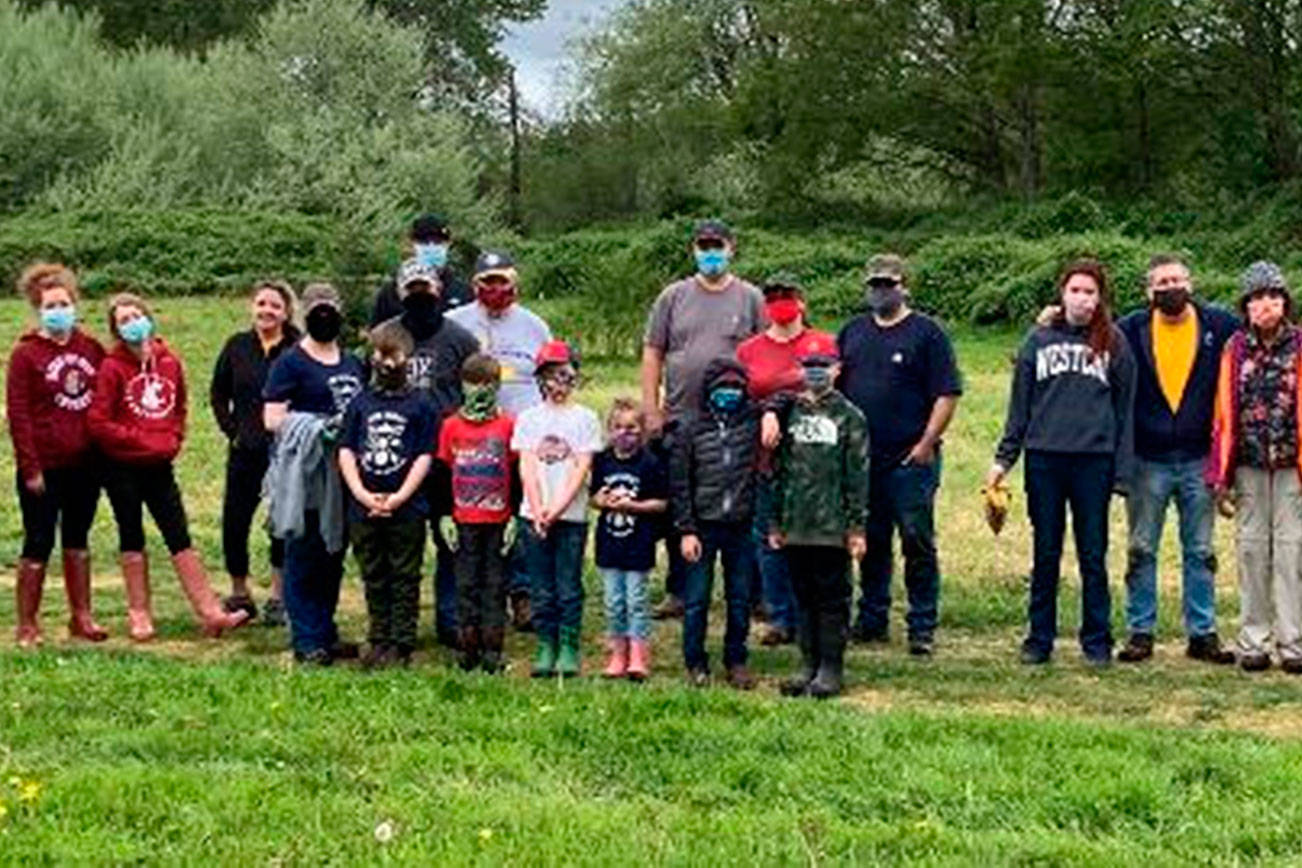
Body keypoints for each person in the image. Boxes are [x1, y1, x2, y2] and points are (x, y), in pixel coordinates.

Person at [987, 260, 1136, 666]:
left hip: (1094, 462)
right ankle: (1039, 639)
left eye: (1090, 292)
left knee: (1092, 554)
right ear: (1062, 294)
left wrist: (1122, 474)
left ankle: (1097, 641)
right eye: (1075, 290)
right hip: (1045, 460)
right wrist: (1003, 459)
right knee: (1045, 551)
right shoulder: (1038, 340)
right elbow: (1019, 407)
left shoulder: (1115, 343)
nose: (1082, 298)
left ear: (1100, 297)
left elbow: (1125, 412)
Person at [89, 293, 249, 640]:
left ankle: (209, 610)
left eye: (136, 315)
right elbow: (99, 422)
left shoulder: (170, 363)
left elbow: (179, 408)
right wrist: (139, 440)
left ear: (149, 316)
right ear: (116, 330)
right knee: (131, 532)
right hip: (121, 465)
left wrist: (173, 439)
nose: (133, 323)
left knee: (179, 534)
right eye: (123, 320)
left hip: (160, 465)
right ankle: (140, 613)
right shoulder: (111, 368)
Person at [1113, 254, 1239, 665]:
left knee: (1201, 550)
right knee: (1141, 548)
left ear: (1191, 283)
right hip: (1147, 459)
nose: (1171, 287)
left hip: (1199, 458)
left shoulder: (1218, 326)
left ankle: (1202, 633)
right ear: (1149, 291)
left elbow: (1263, 335)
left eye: (1177, 279)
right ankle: (1140, 632)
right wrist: (1048, 324)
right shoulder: (1129, 330)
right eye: (1162, 282)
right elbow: (1087, 340)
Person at [837, 253, 962, 656]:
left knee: (916, 540)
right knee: (869, 541)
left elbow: (947, 393)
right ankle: (872, 618)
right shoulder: (852, 332)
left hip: (910, 458)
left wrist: (926, 443)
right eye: (874, 284)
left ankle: (921, 625)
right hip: (862, 459)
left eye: (888, 284)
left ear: (904, 286)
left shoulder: (927, 333)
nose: (880, 292)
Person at [642, 219, 764, 619]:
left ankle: (750, 592)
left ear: (732, 248)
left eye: (718, 245)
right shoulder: (673, 296)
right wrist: (651, 406)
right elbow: (653, 352)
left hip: (735, 423)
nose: (710, 252)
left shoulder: (750, 298)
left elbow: (764, 352)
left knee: (739, 506)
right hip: (681, 417)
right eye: (703, 245)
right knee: (684, 503)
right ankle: (680, 589)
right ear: (693, 249)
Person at [448, 249, 553, 630]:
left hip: (521, 437)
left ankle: (523, 594)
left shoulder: (535, 326)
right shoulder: (455, 324)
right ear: (475, 285)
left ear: (514, 284)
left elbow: (549, 379)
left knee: (523, 516)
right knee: (477, 518)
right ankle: (472, 598)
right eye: (486, 283)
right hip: (473, 441)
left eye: (502, 282)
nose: (495, 289)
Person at [263, 283, 366, 666]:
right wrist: (314, 426)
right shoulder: (290, 362)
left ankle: (325, 629)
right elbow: (271, 418)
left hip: (343, 473)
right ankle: (306, 638)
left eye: (330, 307)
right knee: (304, 552)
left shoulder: (353, 363)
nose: (324, 314)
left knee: (332, 552)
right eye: (316, 308)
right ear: (303, 315)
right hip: (305, 473)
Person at [378, 260, 479, 648]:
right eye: (412, 289)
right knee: (398, 544)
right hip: (394, 455)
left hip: (444, 457)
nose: (420, 296)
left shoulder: (461, 339)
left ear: (438, 291)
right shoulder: (384, 335)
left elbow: (474, 394)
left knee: (449, 540)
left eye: (426, 288)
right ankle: (394, 622)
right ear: (401, 293)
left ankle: (450, 619)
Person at [1207, 262, 1302, 673]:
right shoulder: (1234, 349)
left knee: (1290, 553)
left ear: (1285, 302)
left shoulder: (1300, 344)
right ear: (1246, 305)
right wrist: (1219, 474)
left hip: (1291, 467)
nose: (1267, 304)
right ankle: (1253, 641)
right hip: (1246, 465)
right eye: (1259, 297)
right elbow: (1221, 411)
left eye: (1274, 295)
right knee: (1250, 551)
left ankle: (1293, 643)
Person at [7, 263, 108, 647]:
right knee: (38, 540)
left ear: (75, 304)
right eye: (50, 306)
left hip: (84, 464)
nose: (58, 311)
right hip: (44, 466)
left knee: (78, 538)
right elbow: (19, 415)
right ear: (38, 310)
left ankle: (81, 616)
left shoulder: (90, 348)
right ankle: (27, 623)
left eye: (64, 303)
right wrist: (30, 466)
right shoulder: (26, 355)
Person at [767, 333, 868, 699]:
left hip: (832, 527)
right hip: (796, 524)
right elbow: (778, 470)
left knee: (832, 598)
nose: (815, 373)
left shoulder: (850, 417)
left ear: (837, 369)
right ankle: (807, 665)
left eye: (822, 366)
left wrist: (856, 527)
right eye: (809, 367)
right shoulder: (789, 413)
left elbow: (858, 475)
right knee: (803, 596)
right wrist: (776, 521)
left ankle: (831, 668)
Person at [738, 275, 836, 646]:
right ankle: (779, 615)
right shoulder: (749, 350)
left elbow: (831, 391)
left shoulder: (824, 343)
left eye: (788, 296)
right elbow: (744, 398)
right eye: (774, 298)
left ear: (802, 302)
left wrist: (779, 404)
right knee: (768, 537)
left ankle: (813, 613)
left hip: (814, 461)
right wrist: (766, 413)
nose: (781, 303)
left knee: (811, 539)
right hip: (767, 458)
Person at [339, 322, 438, 669]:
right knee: (373, 573)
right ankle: (378, 638)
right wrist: (362, 494)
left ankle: (402, 642)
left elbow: (425, 455)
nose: (387, 363)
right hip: (363, 504)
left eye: (394, 355)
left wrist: (399, 496)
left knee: (404, 574)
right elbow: (346, 451)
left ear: (408, 359)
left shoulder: (422, 405)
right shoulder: (360, 403)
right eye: (379, 355)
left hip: (407, 506)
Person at [210, 279, 300, 625]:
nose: (267, 310)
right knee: (235, 520)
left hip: (283, 453)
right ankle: (239, 592)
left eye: (275, 305)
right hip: (244, 450)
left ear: (286, 312)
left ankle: (278, 596)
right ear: (252, 306)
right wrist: (232, 431)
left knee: (281, 522)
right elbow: (218, 393)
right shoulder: (236, 346)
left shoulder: (297, 348)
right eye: (261, 303)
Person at [513, 340, 602, 678]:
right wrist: (537, 509)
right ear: (540, 378)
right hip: (532, 516)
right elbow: (528, 466)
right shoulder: (529, 419)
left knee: (568, 585)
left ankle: (568, 645)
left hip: (571, 517)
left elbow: (581, 468)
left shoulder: (586, 418)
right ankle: (545, 643)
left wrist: (557, 508)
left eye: (564, 374)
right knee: (541, 586)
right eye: (550, 375)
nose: (558, 382)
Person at [671, 357, 761, 689]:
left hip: (741, 524)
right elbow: (679, 483)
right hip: (702, 526)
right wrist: (686, 529)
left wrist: (768, 415)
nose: (729, 393)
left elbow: (784, 400)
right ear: (708, 389)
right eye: (722, 387)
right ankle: (695, 661)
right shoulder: (690, 427)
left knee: (739, 598)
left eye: (736, 387)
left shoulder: (752, 420)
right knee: (696, 599)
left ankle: (736, 659)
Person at [437, 354, 517, 673]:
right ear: (462, 386)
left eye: (487, 385)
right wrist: (444, 515)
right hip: (463, 519)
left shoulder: (508, 425)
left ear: (497, 386)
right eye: (473, 384)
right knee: (465, 584)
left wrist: (514, 515)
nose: (480, 391)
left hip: (498, 519)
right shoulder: (450, 426)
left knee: (495, 585)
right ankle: (467, 648)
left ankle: (493, 648)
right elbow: (441, 473)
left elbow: (517, 472)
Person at [590, 398, 668, 681]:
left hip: (638, 543)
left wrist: (632, 507)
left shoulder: (649, 463)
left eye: (632, 428)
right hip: (610, 543)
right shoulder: (602, 461)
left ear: (643, 431)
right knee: (613, 600)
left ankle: (638, 654)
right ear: (610, 430)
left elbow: (661, 503)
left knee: (636, 599)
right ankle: (617, 652)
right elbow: (594, 497)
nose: (625, 434)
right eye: (619, 427)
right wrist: (600, 500)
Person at [369, 213, 473, 326]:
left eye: (438, 242)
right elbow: (378, 335)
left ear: (448, 244)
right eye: (424, 242)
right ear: (412, 244)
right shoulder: (391, 292)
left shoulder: (463, 292)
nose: (431, 247)